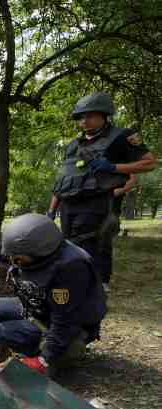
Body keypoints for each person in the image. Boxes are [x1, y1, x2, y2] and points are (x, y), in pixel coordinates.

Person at [0, 213, 107, 376]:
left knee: (4, 331)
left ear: (37, 252)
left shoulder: (70, 267)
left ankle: (55, 355)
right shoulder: (31, 251)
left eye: (17, 258)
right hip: (43, 308)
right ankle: (34, 337)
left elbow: (65, 319)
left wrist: (44, 359)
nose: (12, 261)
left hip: (72, 325)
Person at [47, 92, 157, 292]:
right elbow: (63, 180)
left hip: (97, 203)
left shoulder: (122, 136)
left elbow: (150, 163)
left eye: (89, 115)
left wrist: (114, 168)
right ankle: (77, 285)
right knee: (68, 245)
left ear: (104, 114)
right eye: (81, 117)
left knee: (91, 244)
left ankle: (96, 287)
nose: (84, 120)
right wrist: (51, 210)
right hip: (68, 206)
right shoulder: (73, 145)